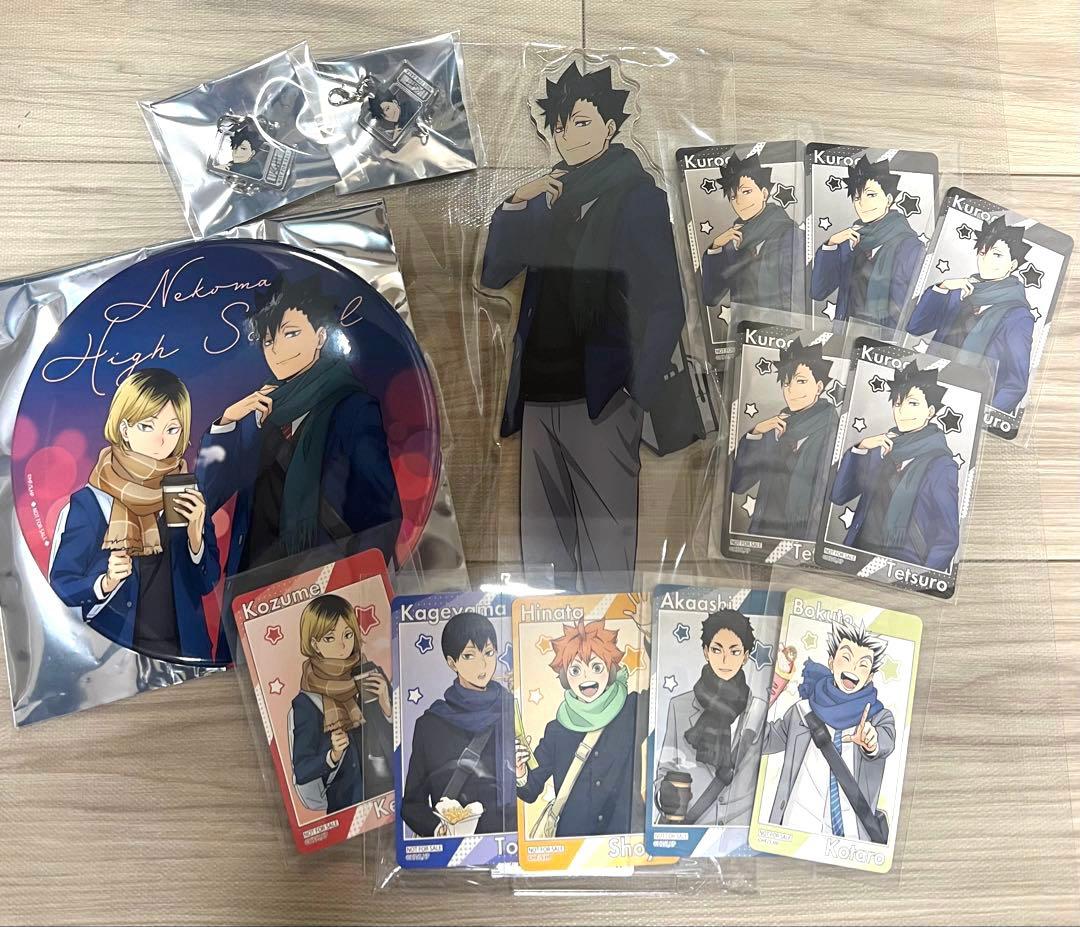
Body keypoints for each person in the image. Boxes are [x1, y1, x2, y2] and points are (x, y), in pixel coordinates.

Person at [479, 62, 686, 592]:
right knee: (542, 565)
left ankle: (609, 644)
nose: (568, 135)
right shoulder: (549, 196)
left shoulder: (638, 197)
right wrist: (517, 202)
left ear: (611, 128)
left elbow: (667, 303)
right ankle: (545, 640)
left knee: (605, 561)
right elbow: (494, 273)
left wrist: (635, 396)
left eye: (582, 122)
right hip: (538, 396)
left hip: (602, 400)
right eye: (560, 125)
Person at [197, 274, 401, 577]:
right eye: (268, 341)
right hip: (252, 582)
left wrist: (356, 582)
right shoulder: (260, 412)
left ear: (320, 337)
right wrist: (226, 422)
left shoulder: (353, 409)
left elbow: (380, 512)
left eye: (290, 333)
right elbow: (208, 496)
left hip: (325, 581)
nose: (277, 350)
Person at [49, 368, 223, 663]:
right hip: (117, 657)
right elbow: (61, 583)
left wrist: (196, 538)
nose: (160, 441)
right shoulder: (92, 503)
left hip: (186, 653)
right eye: (147, 426)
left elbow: (207, 583)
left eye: (172, 429)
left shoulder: (186, 492)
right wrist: (104, 582)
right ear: (125, 429)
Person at [761, 620, 894, 843]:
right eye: (846, 657)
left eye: (863, 664)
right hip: (796, 827)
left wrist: (872, 743)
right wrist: (773, 686)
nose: (853, 668)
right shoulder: (802, 712)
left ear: (870, 676)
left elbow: (885, 742)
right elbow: (760, 741)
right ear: (832, 662)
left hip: (851, 838)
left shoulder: (879, 717)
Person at [515, 619, 642, 838]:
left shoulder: (632, 709)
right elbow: (530, 790)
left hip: (623, 842)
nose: (586, 678)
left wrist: (649, 634)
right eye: (575, 670)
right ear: (565, 677)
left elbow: (661, 696)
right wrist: (520, 772)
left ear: (610, 669)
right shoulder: (556, 730)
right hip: (572, 845)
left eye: (596, 667)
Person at [831, 362, 959, 571]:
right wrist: (860, 449)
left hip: (903, 566)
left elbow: (948, 537)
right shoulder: (880, 449)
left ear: (931, 411)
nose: (902, 411)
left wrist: (921, 578)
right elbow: (838, 496)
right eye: (897, 403)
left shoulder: (941, 465)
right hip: (858, 556)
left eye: (913, 403)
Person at [401, 611, 516, 837]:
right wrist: (439, 830)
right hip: (454, 848)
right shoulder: (429, 725)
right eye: (469, 655)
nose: (483, 664)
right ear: (452, 662)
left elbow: (536, 787)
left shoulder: (514, 711)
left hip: (512, 842)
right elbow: (412, 805)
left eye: (489, 652)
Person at [907, 215, 1034, 412]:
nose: (986, 260)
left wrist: (982, 416)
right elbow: (916, 327)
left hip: (969, 406)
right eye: (982, 253)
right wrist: (942, 287)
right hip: (930, 396)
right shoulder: (959, 292)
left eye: (997, 254)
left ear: (1013, 265)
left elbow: (1016, 384)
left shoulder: (1017, 316)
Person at [655, 610, 768, 828]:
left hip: (739, 832)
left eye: (734, 651)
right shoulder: (680, 706)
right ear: (706, 652)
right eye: (717, 650)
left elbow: (783, 739)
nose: (725, 660)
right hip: (694, 825)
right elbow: (665, 770)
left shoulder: (757, 710)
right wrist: (666, 796)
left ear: (745, 656)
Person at [290, 594, 394, 814]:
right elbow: (302, 770)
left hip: (390, 792)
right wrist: (332, 755)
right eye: (330, 638)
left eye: (348, 634)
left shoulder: (369, 674)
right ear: (314, 644)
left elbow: (407, 738)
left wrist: (388, 709)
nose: (342, 645)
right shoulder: (307, 702)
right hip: (347, 805)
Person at [730, 339, 837, 540]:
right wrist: (756, 433)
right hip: (764, 533)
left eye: (801, 381)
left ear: (819, 386)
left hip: (805, 537)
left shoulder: (832, 430)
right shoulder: (775, 428)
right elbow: (739, 484)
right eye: (786, 383)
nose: (791, 390)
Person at [810, 155, 923, 328]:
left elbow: (910, 311)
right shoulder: (850, 241)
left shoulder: (911, 248)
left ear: (889, 199)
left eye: (871, 195)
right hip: (844, 335)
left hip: (883, 338)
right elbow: (818, 292)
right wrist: (830, 245)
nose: (862, 203)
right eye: (856, 197)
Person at [701, 153, 797, 311]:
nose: (739, 201)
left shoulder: (789, 235)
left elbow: (798, 299)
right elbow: (711, 297)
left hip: (778, 324)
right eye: (733, 196)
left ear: (764, 194)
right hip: (742, 324)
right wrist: (715, 247)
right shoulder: (734, 240)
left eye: (746, 192)